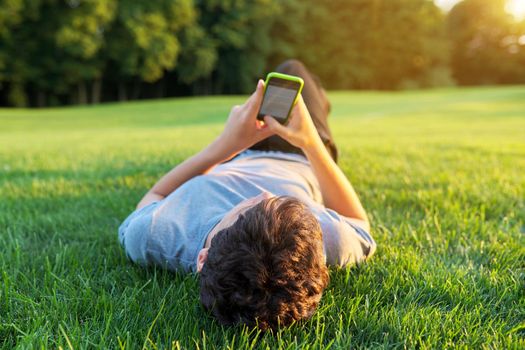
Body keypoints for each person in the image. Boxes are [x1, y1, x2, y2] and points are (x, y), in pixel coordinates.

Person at [118, 60, 376, 330]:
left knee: (280, 85)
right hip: (300, 156)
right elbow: (358, 222)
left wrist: (225, 145)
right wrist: (311, 142)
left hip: (236, 150)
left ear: (202, 259)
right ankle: (321, 100)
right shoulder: (311, 243)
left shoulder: (157, 235)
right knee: (294, 71)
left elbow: (155, 194)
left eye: (247, 208)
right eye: (279, 203)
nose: (265, 193)